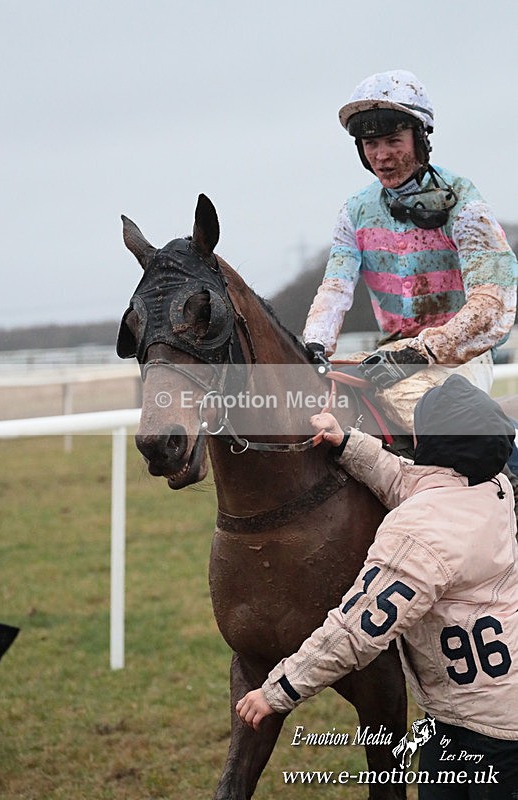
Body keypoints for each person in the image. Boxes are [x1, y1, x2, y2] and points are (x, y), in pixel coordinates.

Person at [236, 375, 518, 798]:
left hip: (483, 736)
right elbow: (413, 481)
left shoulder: (419, 532)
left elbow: (357, 631)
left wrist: (277, 692)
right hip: (480, 716)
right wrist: (349, 442)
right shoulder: (492, 485)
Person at [303, 69, 517, 432]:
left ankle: (507, 469)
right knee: (316, 397)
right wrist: (314, 343)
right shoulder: (354, 212)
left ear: (419, 138)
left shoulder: (464, 204)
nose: (381, 156)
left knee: (407, 402)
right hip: (391, 350)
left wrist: (422, 352)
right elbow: (336, 288)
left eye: (392, 141)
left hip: (459, 356)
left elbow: (493, 305)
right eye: (370, 145)